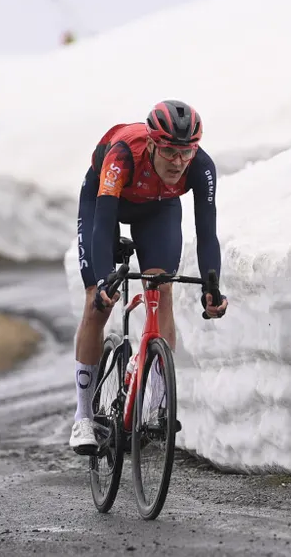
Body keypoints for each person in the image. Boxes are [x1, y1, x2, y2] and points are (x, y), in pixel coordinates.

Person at [70, 99, 228, 455]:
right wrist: (103, 280)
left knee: (162, 289)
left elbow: (207, 231)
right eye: (170, 152)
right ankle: (82, 417)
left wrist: (212, 285)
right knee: (98, 303)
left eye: (186, 153)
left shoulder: (200, 167)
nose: (178, 162)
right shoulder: (124, 154)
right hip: (104, 203)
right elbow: (102, 225)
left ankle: (156, 404)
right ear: (154, 144)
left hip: (157, 209)